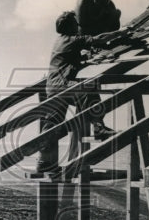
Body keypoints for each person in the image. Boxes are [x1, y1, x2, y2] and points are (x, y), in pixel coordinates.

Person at [34, 10, 121, 175]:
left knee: (53, 125)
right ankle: (99, 127)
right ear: (70, 27)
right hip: (63, 85)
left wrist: (86, 57)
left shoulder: (60, 41)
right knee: (89, 89)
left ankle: (43, 162)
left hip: (52, 87)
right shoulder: (72, 40)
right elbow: (99, 39)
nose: (78, 26)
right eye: (76, 24)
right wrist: (120, 33)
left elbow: (70, 60)